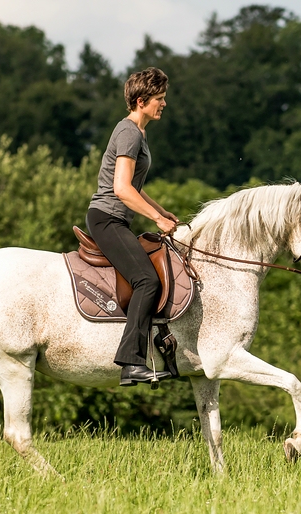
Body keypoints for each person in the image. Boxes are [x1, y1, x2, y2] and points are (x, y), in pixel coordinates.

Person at [85, 67, 178, 387]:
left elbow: (134, 187)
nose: (164, 104)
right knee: (147, 281)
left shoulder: (139, 132)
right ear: (141, 101)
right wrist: (157, 220)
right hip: (107, 218)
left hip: (117, 218)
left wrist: (161, 210)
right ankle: (131, 362)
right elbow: (122, 189)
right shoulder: (129, 133)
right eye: (159, 98)